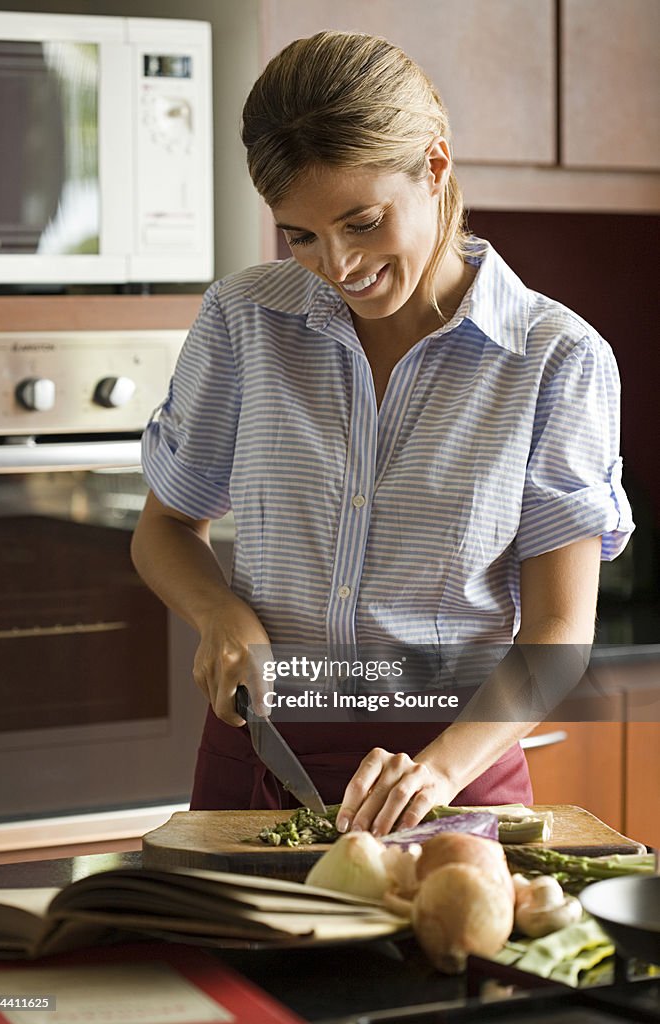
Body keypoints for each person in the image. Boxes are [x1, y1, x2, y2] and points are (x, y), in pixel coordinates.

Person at [131, 31, 633, 837]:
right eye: (300, 235)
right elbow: (164, 527)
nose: (335, 264)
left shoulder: (556, 359)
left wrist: (436, 772)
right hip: (256, 755)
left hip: (452, 774)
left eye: (362, 223)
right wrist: (218, 612)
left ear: (434, 168)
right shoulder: (242, 320)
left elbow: (556, 634)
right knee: (223, 969)